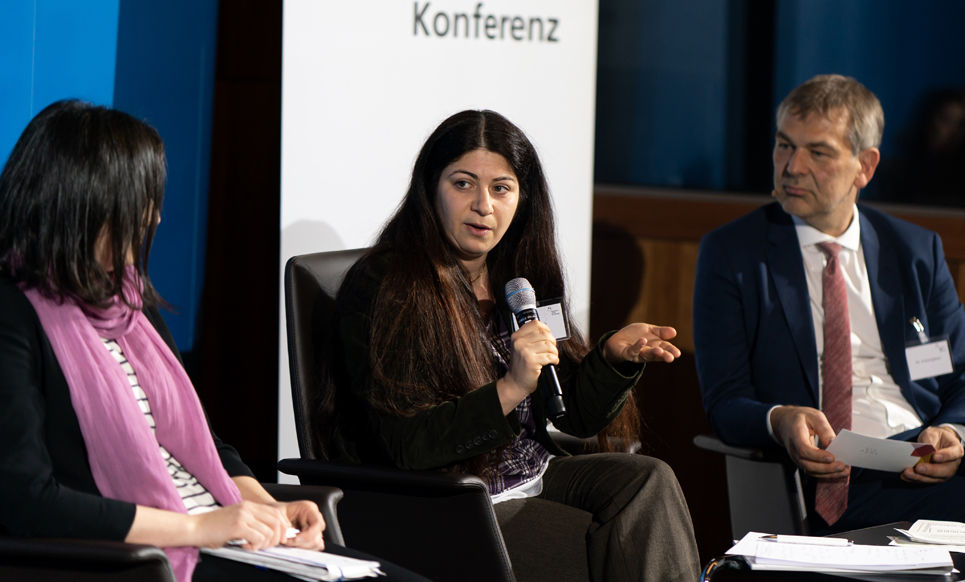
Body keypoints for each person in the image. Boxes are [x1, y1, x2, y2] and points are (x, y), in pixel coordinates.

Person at [0, 100, 427, 582]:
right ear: (86, 202)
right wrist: (201, 526)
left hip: (224, 538)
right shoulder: (14, 316)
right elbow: (28, 503)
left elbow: (199, 440)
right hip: (153, 557)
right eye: (141, 200)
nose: (153, 219)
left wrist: (268, 508)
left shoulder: (127, 299)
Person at [693, 76, 965, 579]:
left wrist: (952, 431)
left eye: (818, 152)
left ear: (866, 166)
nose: (792, 167)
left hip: (920, 452)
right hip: (837, 474)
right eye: (784, 146)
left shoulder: (913, 250)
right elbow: (725, 399)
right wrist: (780, 419)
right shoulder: (735, 252)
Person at [323, 109, 700, 582]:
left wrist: (609, 360)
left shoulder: (520, 278)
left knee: (648, 480)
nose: (484, 205)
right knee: (609, 543)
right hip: (447, 499)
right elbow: (408, 446)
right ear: (430, 189)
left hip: (529, 475)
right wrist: (511, 388)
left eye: (501, 188)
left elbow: (572, 416)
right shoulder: (390, 285)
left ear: (522, 199)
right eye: (463, 184)